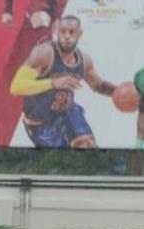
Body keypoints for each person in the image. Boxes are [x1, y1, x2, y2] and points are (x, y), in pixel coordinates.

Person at [9, 15, 118, 148]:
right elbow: (16, 87)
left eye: (72, 32)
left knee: (87, 148)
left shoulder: (84, 60)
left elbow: (99, 86)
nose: (67, 36)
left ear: (80, 34)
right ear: (56, 31)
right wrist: (53, 83)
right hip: (41, 124)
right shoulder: (43, 53)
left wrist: (124, 92)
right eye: (63, 31)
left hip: (68, 113)